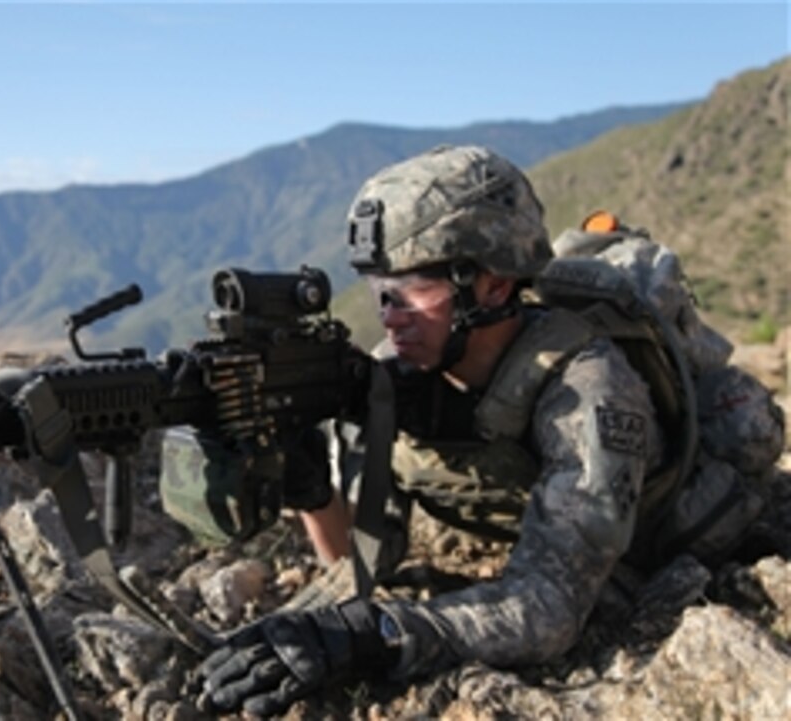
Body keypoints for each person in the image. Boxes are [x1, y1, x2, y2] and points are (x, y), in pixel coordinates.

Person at [194, 144, 781, 715]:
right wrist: (313, 495)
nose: (389, 317)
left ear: (494, 286)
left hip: (644, 528)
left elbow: (551, 608)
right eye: (379, 292)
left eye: (413, 292)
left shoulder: (588, 386)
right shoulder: (395, 370)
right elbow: (362, 558)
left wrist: (380, 636)